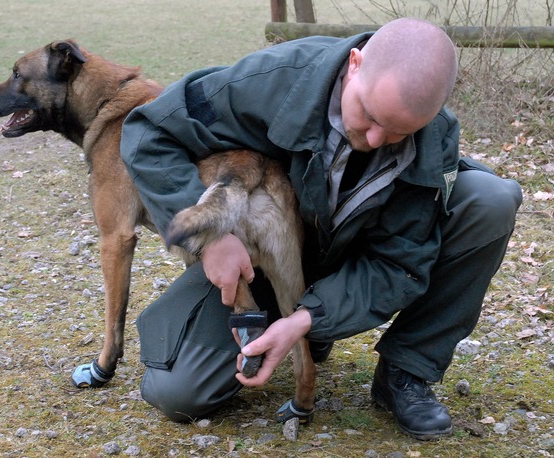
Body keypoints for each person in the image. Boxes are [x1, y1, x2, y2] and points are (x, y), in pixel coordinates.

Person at [119, 17, 522, 440]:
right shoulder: (272, 80)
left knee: (490, 200)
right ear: (355, 64)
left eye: (400, 132)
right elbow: (149, 130)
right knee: (178, 393)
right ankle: (302, 324)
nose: (375, 137)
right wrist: (212, 241)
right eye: (367, 113)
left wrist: (307, 317)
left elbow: (399, 263)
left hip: (348, 259)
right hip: (261, 260)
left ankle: (405, 370)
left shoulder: (434, 139)